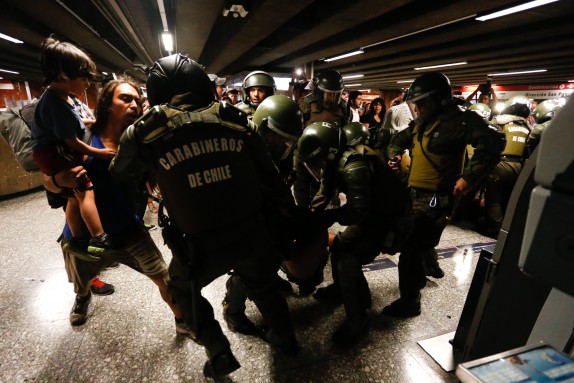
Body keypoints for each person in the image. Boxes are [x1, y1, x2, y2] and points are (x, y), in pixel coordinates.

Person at [110, 54, 299, 378]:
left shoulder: (146, 131)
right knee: (264, 286)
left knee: (182, 290)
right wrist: (287, 215)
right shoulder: (237, 119)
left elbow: (121, 173)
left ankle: (219, 351)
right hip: (252, 231)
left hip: (200, 246)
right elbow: (270, 176)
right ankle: (286, 339)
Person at [44, 77, 188, 337]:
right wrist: (57, 180)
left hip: (127, 229)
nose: (133, 104)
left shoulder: (138, 142)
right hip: (83, 235)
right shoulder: (82, 137)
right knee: (82, 281)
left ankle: (183, 322)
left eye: (137, 100)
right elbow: (48, 180)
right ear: (107, 104)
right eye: (125, 98)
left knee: (164, 278)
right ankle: (83, 297)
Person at [384, 72, 504, 317]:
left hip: (437, 197)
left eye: (422, 103)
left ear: (439, 100)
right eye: (415, 104)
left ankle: (410, 301)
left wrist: (467, 178)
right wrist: (394, 156)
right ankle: (428, 267)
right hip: (413, 193)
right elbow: (397, 140)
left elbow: (494, 143)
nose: (417, 109)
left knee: (410, 248)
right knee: (417, 240)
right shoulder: (421, 123)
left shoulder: (461, 121)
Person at [298, 121, 411, 346]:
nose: (317, 165)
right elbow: (324, 192)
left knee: (347, 258)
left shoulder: (353, 166)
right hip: (376, 214)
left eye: (318, 160)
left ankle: (357, 318)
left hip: (390, 220)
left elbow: (359, 211)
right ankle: (343, 290)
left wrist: (330, 217)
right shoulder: (334, 162)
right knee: (340, 246)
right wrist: (309, 217)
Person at [32, 36, 116, 254]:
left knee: (73, 196)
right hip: (54, 151)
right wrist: (100, 152)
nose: (87, 84)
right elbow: (71, 141)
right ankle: (99, 237)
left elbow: (79, 122)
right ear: (62, 75)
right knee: (85, 190)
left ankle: (77, 240)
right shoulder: (55, 104)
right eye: (83, 78)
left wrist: (96, 122)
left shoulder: (65, 97)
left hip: (54, 150)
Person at [295, 69, 349, 208]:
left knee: (326, 190)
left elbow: (344, 133)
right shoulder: (306, 105)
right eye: (329, 94)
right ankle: (303, 215)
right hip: (306, 155)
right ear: (319, 92)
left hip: (330, 157)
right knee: (301, 187)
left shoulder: (342, 108)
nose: (333, 99)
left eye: (337, 95)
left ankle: (317, 218)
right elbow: (296, 131)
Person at [482, 95, 532, 237]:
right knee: (509, 197)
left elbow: (487, 142)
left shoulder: (499, 121)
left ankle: (495, 228)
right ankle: (506, 226)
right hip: (519, 166)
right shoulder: (528, 126)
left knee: (493, 198)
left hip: (500, 164)